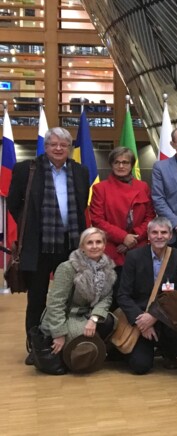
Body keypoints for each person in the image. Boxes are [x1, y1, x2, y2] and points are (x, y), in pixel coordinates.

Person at [7, 127, 90, 365]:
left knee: (69, 298)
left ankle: (67, 342)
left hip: (70, 244)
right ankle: (36, 347)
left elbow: (81, 203)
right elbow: (14, 203)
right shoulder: (27, 169)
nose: (58, 149)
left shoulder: (80, 171)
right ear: (46, 146)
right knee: (37, 299)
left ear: (69, 148)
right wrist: (31, 225)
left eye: (63, 145)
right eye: (53, 144)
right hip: (38, 246)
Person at [116, 217, 177, 374]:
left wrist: (154, 316)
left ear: (170, 235)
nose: (159, 236)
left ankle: (169, 353)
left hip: (167, 317)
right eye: (154, 232)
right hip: (140, 317)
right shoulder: (134, 257)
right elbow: (123, 295)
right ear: (148, 236)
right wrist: (142, 321)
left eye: (164, 232)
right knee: (140, 366)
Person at [38, 227, 116, 365]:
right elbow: (55, 303)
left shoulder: (108, 269)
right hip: (68, 315)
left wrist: (94, 318)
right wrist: (59, 334)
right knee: (80, 339)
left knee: (110, 321)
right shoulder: (67, 268)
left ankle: (94, 351)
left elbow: (106, 298)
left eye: (98, 242)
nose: (94, 246)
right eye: (89, 242)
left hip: (87, 314)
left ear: (104, 245)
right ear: (82, 247)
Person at [89, 147, 155, 287]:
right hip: (113, 249)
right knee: (112, 295)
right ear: (111, 165)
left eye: (125, 162)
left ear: (131, 165)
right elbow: (97, 220)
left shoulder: (143, 186)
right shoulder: (101, 188)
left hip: (138, 247)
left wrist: (133, 237)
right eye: (117, 162)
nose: (121, 166)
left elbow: (150, 217)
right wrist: (123, 237)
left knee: (140, 293)